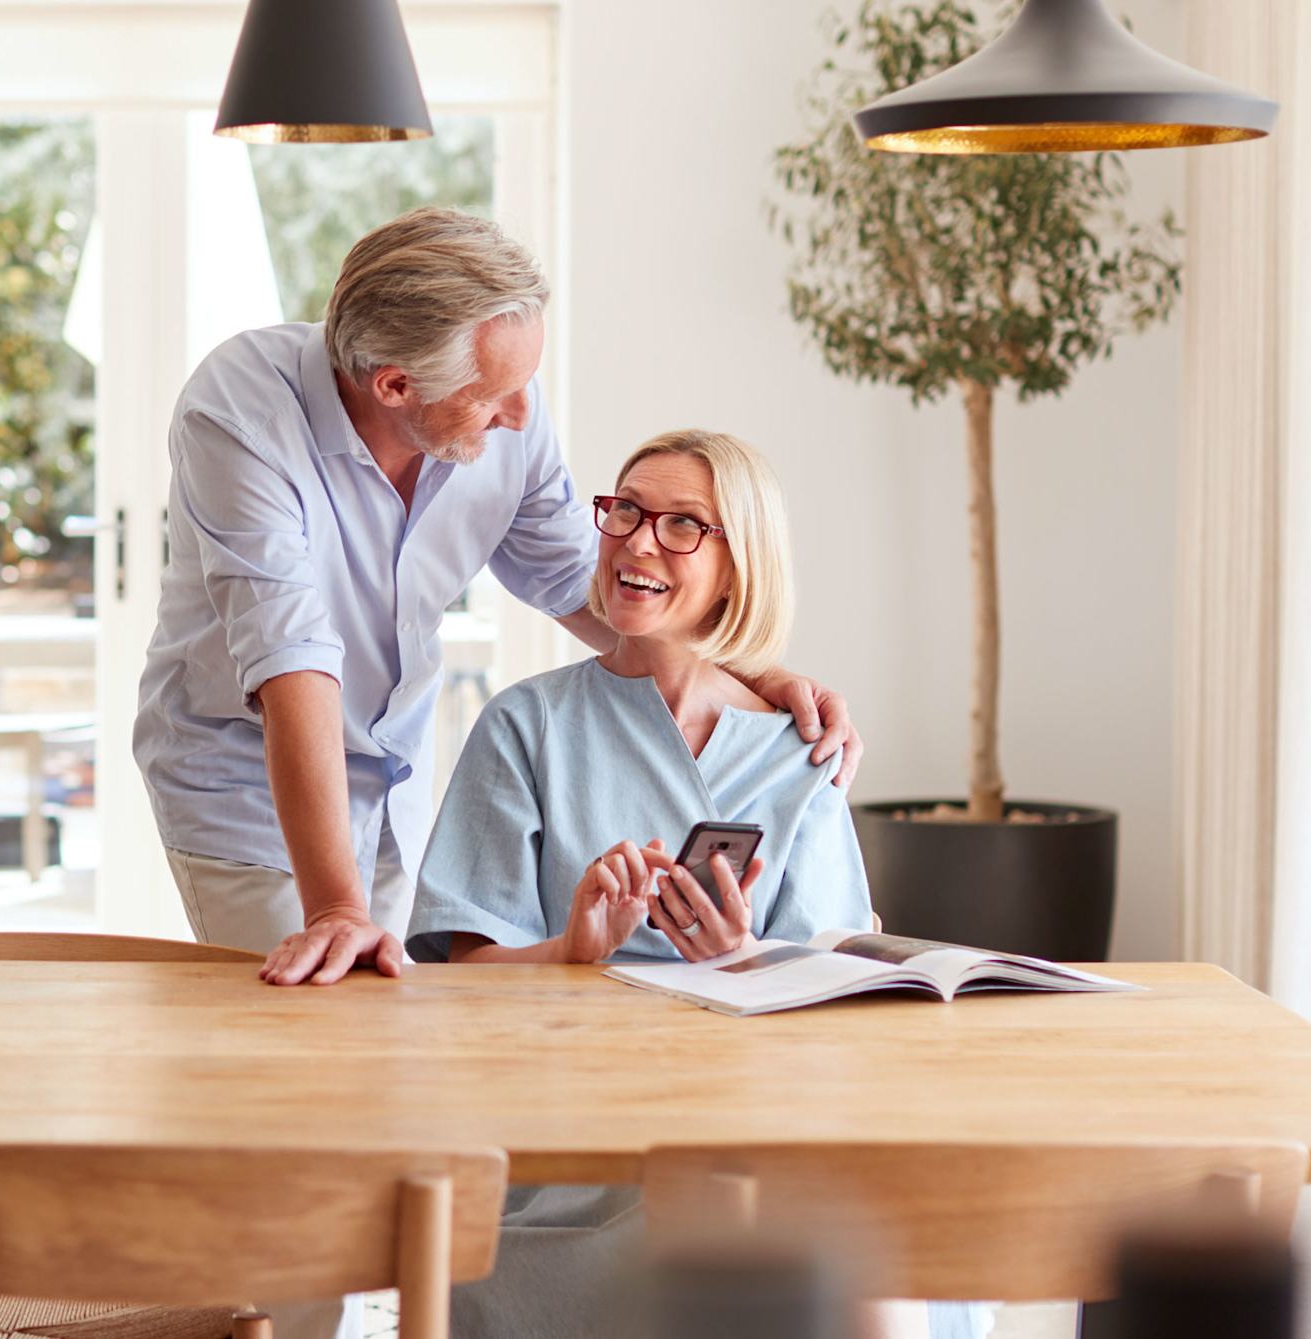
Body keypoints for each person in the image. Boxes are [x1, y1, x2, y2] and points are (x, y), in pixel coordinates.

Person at [133, 209, 862, 991]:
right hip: (253, 788)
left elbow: (584, 578)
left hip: (391, 777)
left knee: (387, 1038)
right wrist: (336, 908)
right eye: (495, 397)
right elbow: (293, 659)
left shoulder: (501, 398)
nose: (521, 414)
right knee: (311, 1021)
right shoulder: (241, 413)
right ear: (396, 385)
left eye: (525, 384)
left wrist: (749, 673)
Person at [405, 428, 984, 1339]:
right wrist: (573, 950)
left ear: (737, 565)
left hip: (772, 1123)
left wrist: (746, 959)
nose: (637, 540)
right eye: (625, 510)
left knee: (863, 1228)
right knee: (793, 1235)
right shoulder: (527, 726)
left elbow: (845, 995)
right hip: (583, 1143)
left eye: (683, 525)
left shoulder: (803, 753)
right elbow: (455, 980)